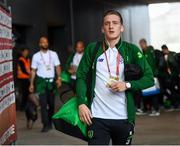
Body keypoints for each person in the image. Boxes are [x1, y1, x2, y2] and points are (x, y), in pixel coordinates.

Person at [76, 10, 154, 145]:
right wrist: (81, 103)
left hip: (123, 118)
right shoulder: (92, 49)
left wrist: (127, 85)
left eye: (115, 23)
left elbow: (149, 78)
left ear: (121, 27)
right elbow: (81, 76)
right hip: (97, 118)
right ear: (102, 28)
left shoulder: (132, 50)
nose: (111, 26)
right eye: (107, 23)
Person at [29, 36, 62, 132]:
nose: (45, 44)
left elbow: (57, 67)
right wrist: (31, 84)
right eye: (43, 42)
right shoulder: (36, 56)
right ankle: (45, 124)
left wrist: (59, 78)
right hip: (41, 83)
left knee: (51, 104)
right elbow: (33, 71)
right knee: (43, 104)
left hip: (51, 82)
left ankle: (50, 121)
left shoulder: (54, 54)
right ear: (39, 44)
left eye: (46, 42)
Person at [139, 39, 160, 116]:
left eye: (141, 45)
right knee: (148, 93)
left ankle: (156, 110)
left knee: (153, 93)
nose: (141, 46)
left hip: (151, 76)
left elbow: (151, 64)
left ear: (145, 44)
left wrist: (150, 75)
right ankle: (149, 109)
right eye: (140, 45)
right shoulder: (144, 52)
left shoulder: (149, 52)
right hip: (147, 76)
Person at [158, 45, 180, 110]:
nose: (164, 51)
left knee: (176, 90)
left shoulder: (173, 54)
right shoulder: (163, 56)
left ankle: (177, 103)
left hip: (176, 75)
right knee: (172, 90)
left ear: (166, 49)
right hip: (169, 76)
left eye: (164, 50)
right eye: (163, 50)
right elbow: (161, 66)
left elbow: (176, 64)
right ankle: (175, 104)